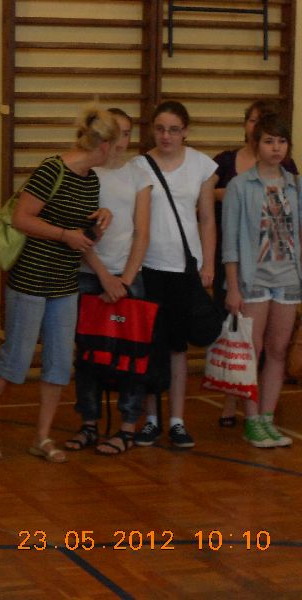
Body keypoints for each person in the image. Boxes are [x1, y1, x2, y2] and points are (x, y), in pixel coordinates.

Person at [0, 107, 116, 462]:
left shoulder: (91, 180)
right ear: (103, 145)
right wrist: (65, 235)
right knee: (14, 359)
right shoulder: (52, 169)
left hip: (64, 284)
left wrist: (99, 221)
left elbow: (81, 232)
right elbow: (22, 218)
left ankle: (42, 436)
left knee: (58, 363)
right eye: (116, 145)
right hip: (30, 280)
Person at [64, 108, 152, 456]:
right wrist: (103, 276)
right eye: (115, 132)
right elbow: (80, 231)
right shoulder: (88, 172)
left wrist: (124, 280)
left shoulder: (138, 174)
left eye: (127, 133)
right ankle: (89, 423)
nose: (121, 140)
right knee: (88, 354)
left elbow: (142, 232)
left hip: (128, 276)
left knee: (131, 356)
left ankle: (127, 427)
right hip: (90, 275)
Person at [133, 101, 217, 449]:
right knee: (151, 346)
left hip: (184, 267)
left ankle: (177, 420)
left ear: (185, 131)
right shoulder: (139, 166)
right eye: (160, 129)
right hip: (148, 267)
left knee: (178, 347)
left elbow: (207, 218)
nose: (166, 136)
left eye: (174, 129)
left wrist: (207, 263)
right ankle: (151, 419)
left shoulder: (201, 165)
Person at [212, 100, 299, 427]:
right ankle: (250, 420)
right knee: (252, 350)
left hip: (287, 279)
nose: (276, 148)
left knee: (278, 351)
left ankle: (266, 419)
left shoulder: (295, 186)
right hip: (253, 280)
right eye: (269, 141)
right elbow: (230, 244)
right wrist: (233, 287)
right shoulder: (239, 186)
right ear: (256, 144)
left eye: (282, 141)